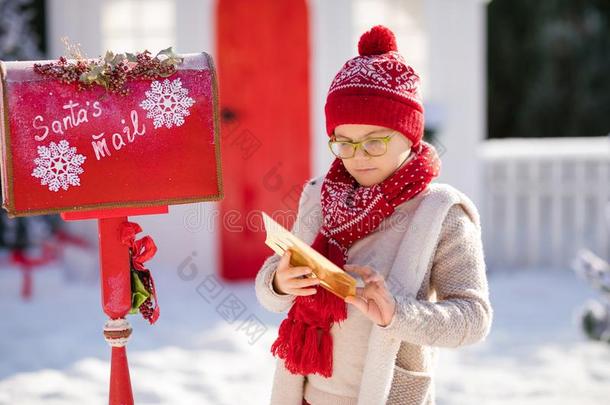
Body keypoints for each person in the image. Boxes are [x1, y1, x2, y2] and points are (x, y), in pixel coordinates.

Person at [254, 24, 493, 405]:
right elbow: (273, 286)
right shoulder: (319, 195)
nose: (358, 157)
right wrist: (281, 283)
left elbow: (473, 319)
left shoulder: (441, 212)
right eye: (344, 143)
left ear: (410, 136)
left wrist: (397, 313)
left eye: (375, 142)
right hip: (305, 395)